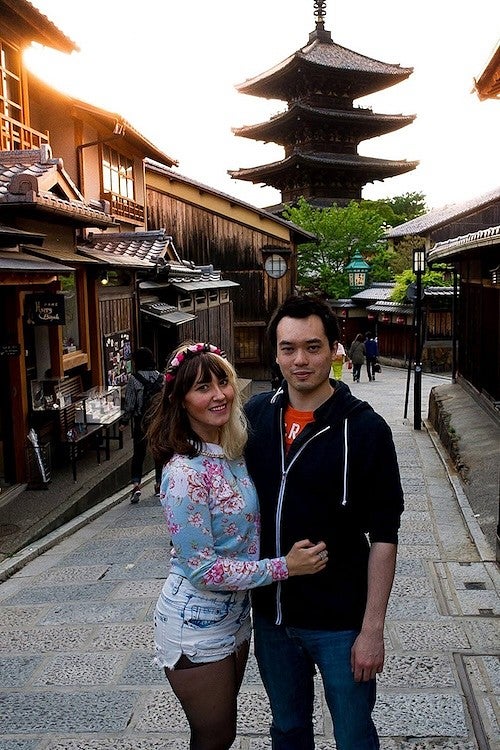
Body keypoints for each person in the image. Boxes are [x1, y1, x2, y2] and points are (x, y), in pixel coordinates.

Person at [146, 341, 328, 750]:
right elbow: (204, 570)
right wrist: (286, 566)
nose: (218, 395)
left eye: (222, 382)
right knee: (214, 736)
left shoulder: (230, 452)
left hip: (236, 615)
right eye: (202, 388)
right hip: (195, 621)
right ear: (180, 401)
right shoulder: (184, 473)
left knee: (222, 733)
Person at [244, 296, 404, 750]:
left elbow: (385, 534)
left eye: (313, 347)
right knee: (288, 730)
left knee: (353, 736)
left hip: (341, 623)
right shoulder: (253, 418)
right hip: (272, 618)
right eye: (288, 348)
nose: (300, 360)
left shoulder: (367, 430)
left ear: (334, 349)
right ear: (275, 353)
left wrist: (372, 628)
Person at [119, 347, 163, 503]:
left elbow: (130, 404)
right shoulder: (160, 378)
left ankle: (136, 486)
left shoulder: (134, 379)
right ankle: (159, 484)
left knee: (139, 454)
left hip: (141, 421)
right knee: (159, 452)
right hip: (158, 421)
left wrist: (124, 421)